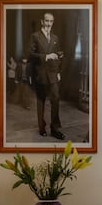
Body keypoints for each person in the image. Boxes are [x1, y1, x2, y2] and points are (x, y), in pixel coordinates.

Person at [29, 12, 65, 140]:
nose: (49, 24)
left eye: (51, 21)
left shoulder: (55, 38)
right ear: (42, 22)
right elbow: (30, 55)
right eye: (47, 21)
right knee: (41, 101)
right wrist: (46, 56)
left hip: (53, 74)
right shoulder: (35, 36)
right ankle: (41, 127)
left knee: (55, 99)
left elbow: (59, 56)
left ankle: (55, 129)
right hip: (41, 75)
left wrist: (59, 71)